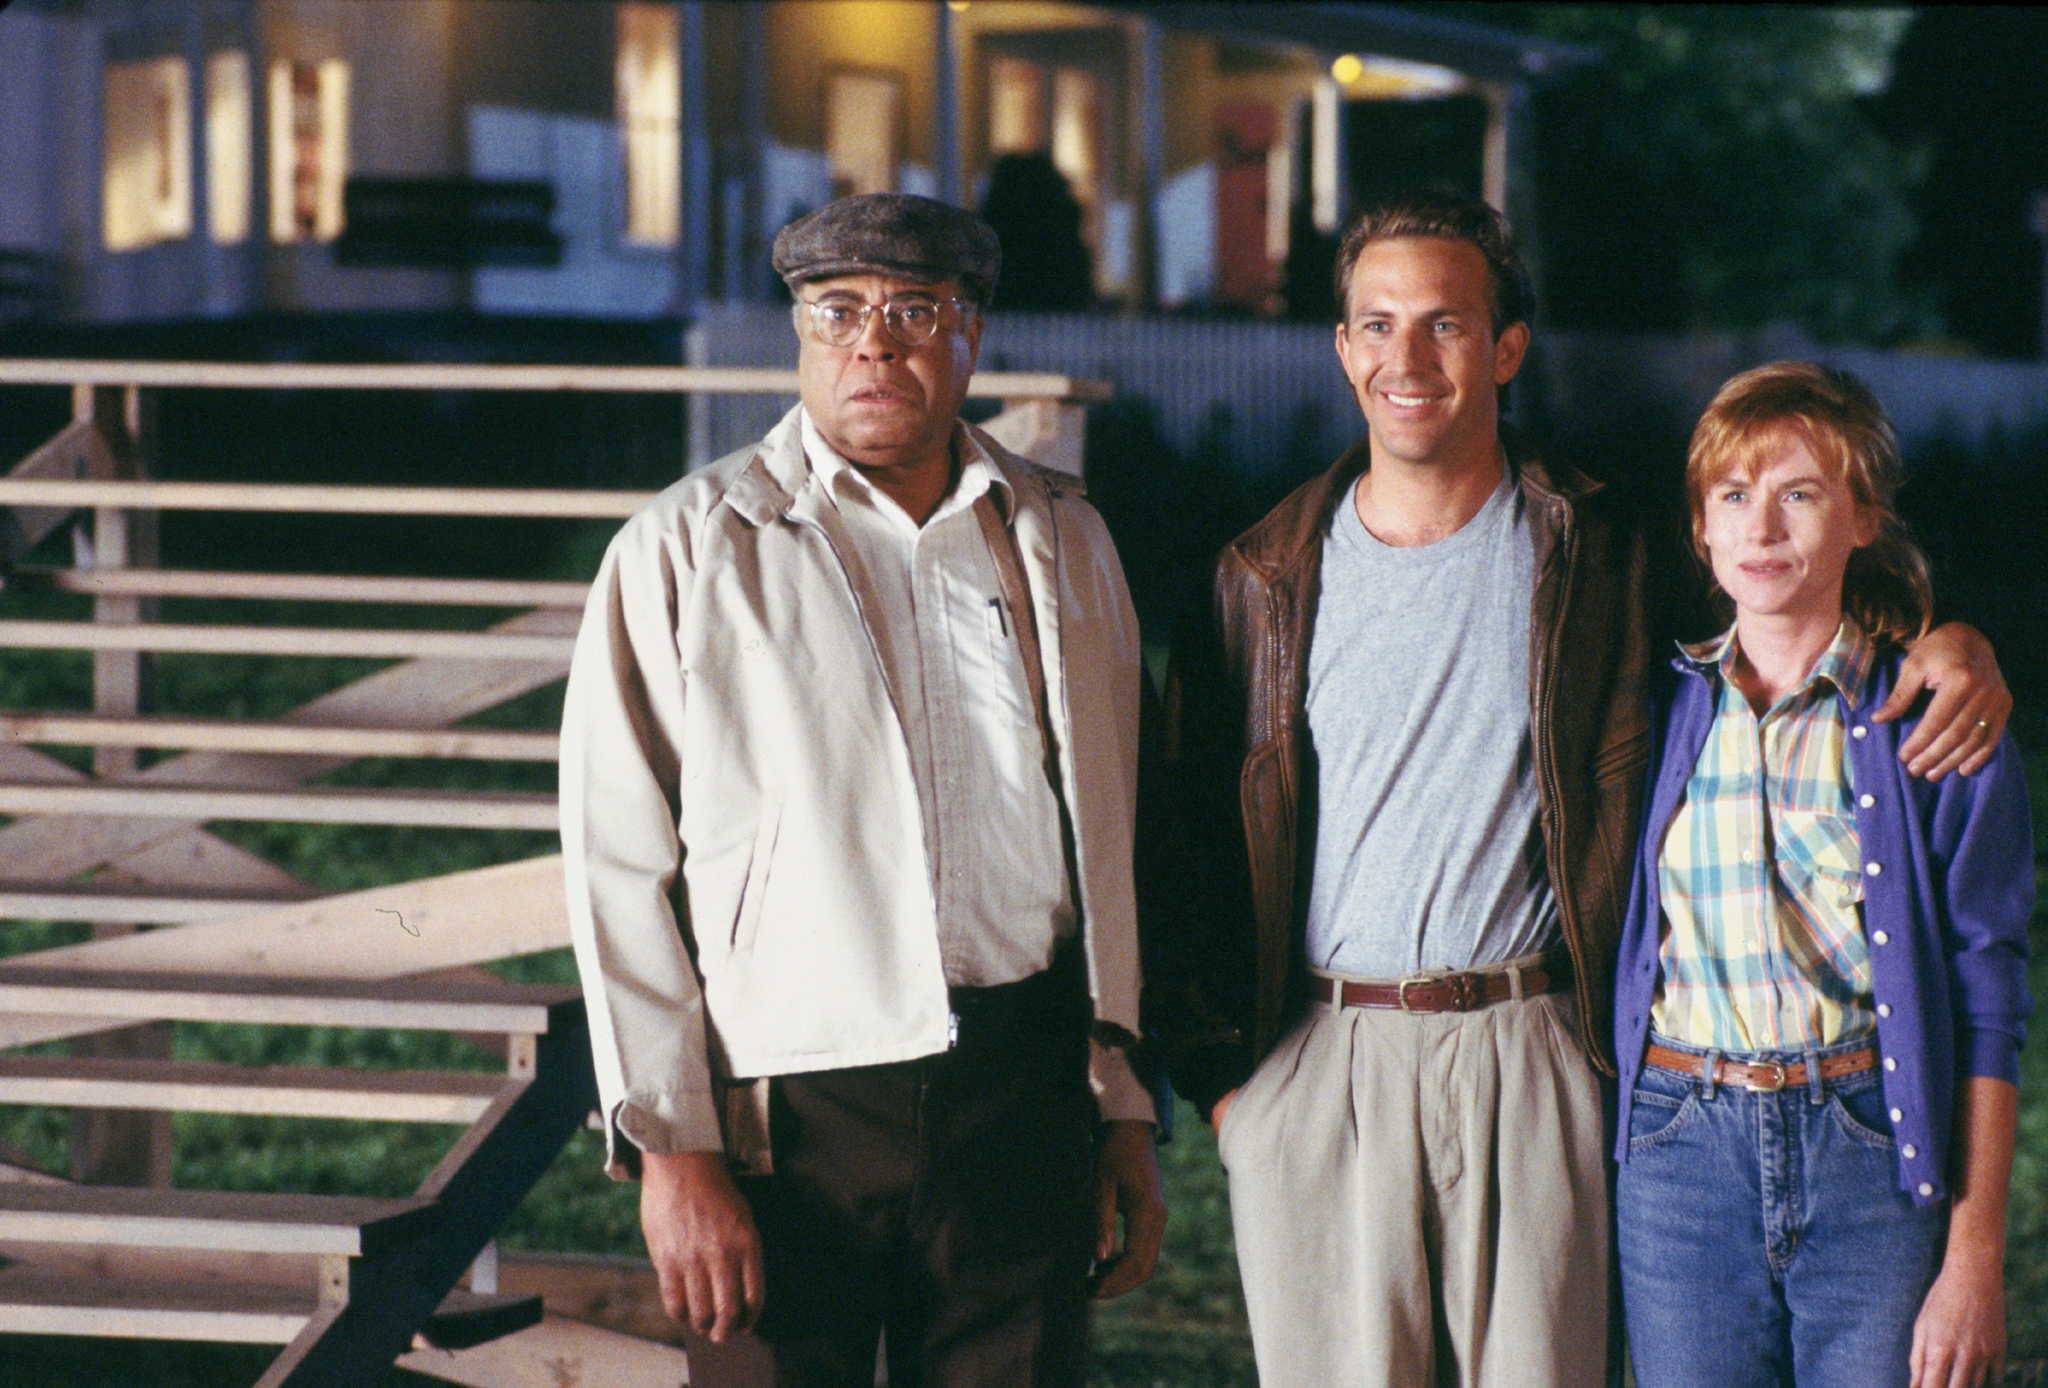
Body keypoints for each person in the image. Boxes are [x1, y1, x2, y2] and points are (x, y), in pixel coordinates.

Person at [1148, 189, 2012, 1388]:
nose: (1406, 356)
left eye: (1445, 323)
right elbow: (1182, 833)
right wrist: (1232, 1092)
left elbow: (1785, 592)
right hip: (1322, 1060)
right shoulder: (1257, 576)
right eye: (1375, 323)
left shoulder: (1603, 551)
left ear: (1504, 346)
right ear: (1341, 344)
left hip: (1538, 1048)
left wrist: (1950, 636)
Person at [561, 192, 1165, 1388]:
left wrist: (1120, 1103)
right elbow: (616, 870)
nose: (872, 342)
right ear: (798, 334)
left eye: (912, 310)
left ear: (970, 335)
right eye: (836, 310)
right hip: (788, 1118)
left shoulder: (1060, 538)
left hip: (1021, 1084)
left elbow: (1112, 839)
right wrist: (673, 1148)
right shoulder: (685, 549)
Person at [1611, 362, 2031, 1388]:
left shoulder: (1931, 722)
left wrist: (1973, 1258)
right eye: (1731, 496)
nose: (1760, 527)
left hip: (1868, 1148)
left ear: (1862, 521)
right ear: (1700, 532)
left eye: (1797, 493)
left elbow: (1987, 1001)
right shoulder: (1644, 711)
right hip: (1675, 1150)